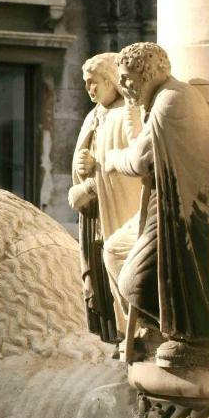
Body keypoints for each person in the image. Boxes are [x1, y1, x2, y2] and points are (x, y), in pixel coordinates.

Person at [105, 42, 209, 368]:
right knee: (114, 250)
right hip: (165, 204)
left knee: (133, 281)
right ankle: (154, 331)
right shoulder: (160, 99)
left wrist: (113, 158)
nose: (124, 86)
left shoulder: (171, 101)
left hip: (183, 210)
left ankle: (193, 337)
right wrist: (133, 108)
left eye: (127, 78)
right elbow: (144, 143)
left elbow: (140, 158)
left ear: (148, 71)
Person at [68, 52, 142, 342]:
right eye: (86, 83)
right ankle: (118, 336)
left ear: (111, 80)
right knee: (100, 281)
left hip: (119, 211)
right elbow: (83, 165)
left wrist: (92, 179)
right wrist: (81, 167)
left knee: (120, 265)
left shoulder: (127, 113)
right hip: (93, 216)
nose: (90, 89)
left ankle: (131, 333)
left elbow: (134, 165)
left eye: (94, 82)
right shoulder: (94, 116)